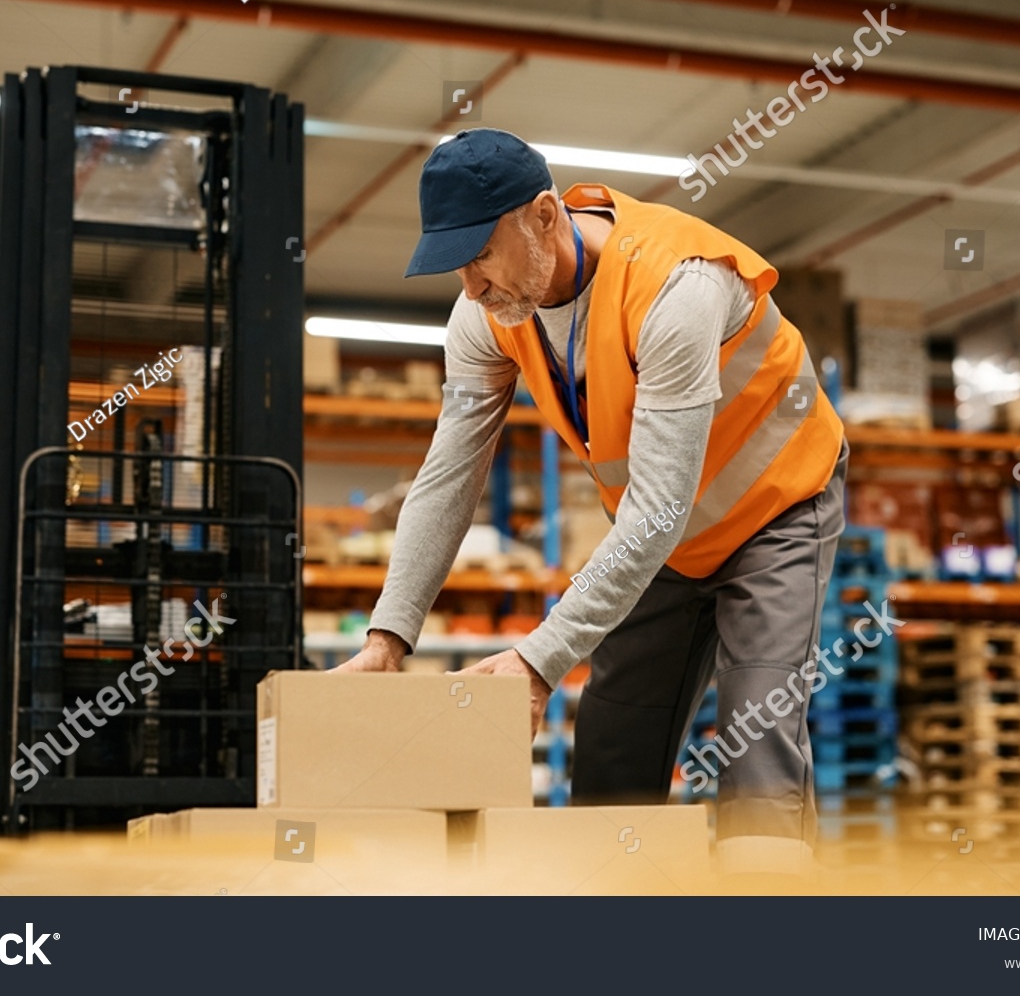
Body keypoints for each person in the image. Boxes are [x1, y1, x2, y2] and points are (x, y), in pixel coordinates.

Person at [335, 129, 847, 874]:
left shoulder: (677, 287)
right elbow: (448, 474)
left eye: (479, 255)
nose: (470, 286)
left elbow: (661, 507)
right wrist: (389, 637)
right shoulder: (487, 315)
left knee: (756, 730)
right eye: (456, 267)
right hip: (664, 540)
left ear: (545, 216)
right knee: (612, 748)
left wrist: (539, 661)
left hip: (776, 512)